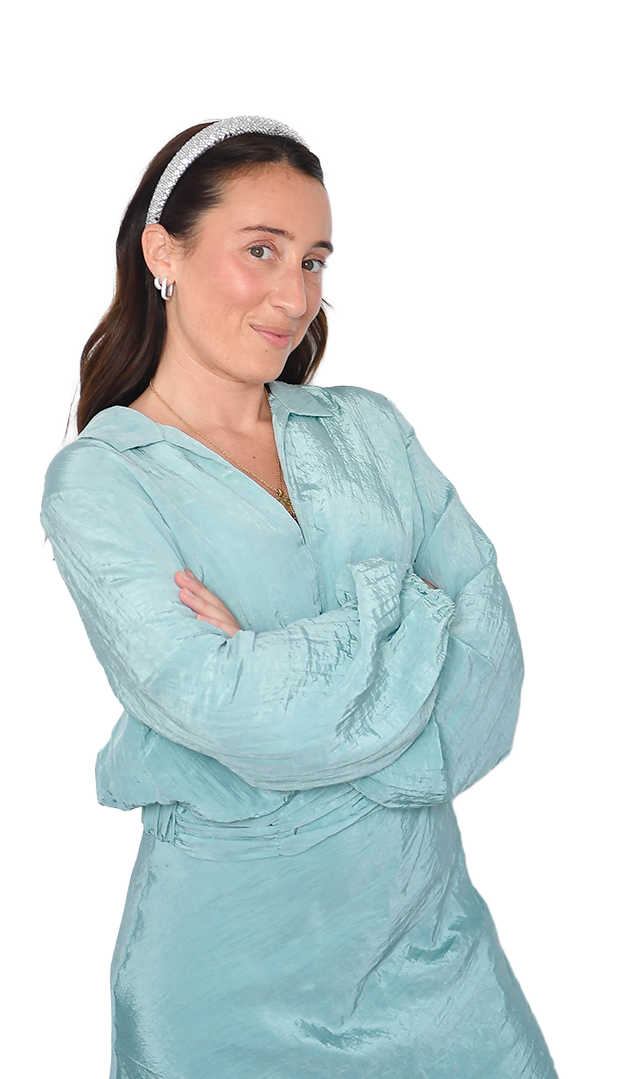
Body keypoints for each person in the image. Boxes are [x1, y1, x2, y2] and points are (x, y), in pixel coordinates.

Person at [40, 116, 557, 1079]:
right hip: (222, 984)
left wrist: (275, 663)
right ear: (163, 253)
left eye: (314, 260)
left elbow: (490, 694)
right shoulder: (105, 480)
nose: (296, 296)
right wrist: (408, 613)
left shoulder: (369, 431)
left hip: (431, 952)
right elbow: (214, 700)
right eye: (262, 251)